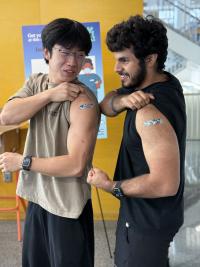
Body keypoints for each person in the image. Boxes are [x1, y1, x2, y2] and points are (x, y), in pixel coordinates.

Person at [87, 15, 186, 267]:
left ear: (150, 59)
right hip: (148, 215)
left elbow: (165, 183)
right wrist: (122, 101)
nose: (116, 68)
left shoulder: (148, 111)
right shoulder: (163, 82)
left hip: (148, 221)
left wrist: (110, 186)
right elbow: (105, 106)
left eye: (124, 60)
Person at [0, 18, 100, 267]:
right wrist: (51, 94)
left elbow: (76, 165)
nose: (73, 62)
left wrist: (23, 162)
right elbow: (7, 115)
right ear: (46, 52)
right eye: (64, 52)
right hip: (37, 199)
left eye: (79, 55)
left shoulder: (83, 100)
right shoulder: (37, 83)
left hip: (67, 207)